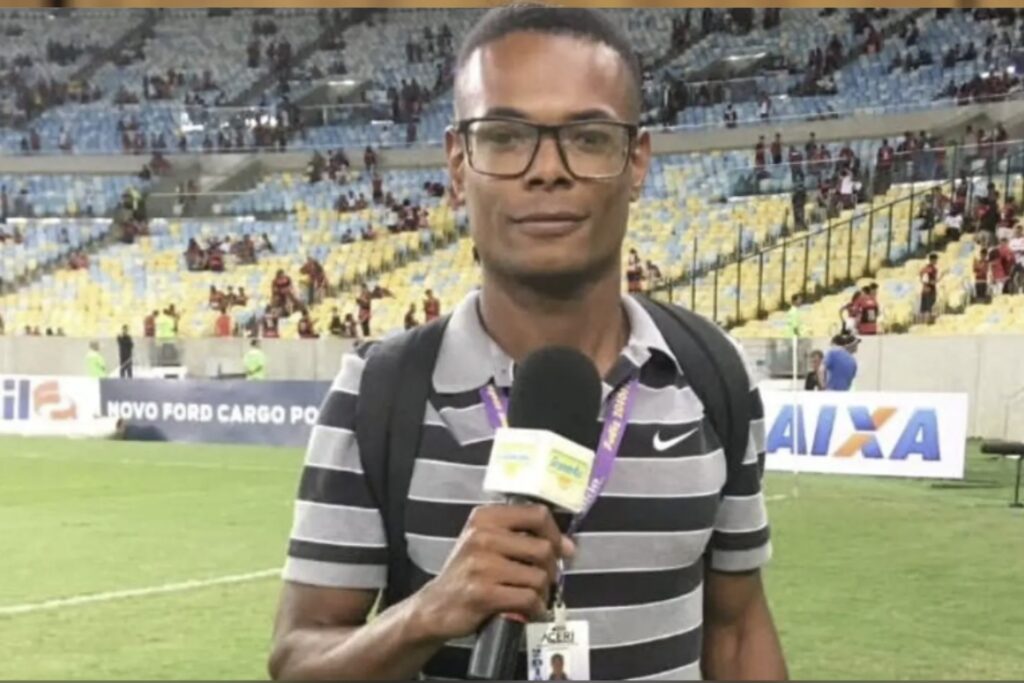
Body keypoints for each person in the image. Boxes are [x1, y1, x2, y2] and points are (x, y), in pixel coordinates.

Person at [268, 7, 785, 682]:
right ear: (459, 165)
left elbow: (738, 631)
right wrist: (427, 613)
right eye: (506, 137)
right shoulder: (376, 395)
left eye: (588, 137)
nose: (547, 170)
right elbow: (297, 657)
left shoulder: (713, 376)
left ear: (636, 163)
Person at [919, 253, 940, 323]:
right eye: (936, 260)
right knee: (929, 307)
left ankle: (922, 323)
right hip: (930, 290)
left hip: (924, 290)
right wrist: (933, 282)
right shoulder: (932, 269)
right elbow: (928, 280)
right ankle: (927, 322)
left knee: (923, 308)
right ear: (933, 260)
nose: (936, 261)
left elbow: (922, 278)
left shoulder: (924, 268)